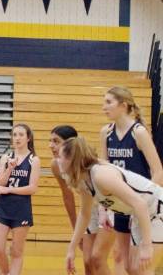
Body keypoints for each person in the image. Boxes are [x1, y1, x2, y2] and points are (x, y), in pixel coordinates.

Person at [61, 137, 160, 275]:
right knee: (133, 269)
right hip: (141, 214)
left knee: (142, 268)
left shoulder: (100, 175)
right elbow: (85, 214)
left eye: (61, 156)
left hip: (157, 208)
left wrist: (147, 245)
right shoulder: (84, 181)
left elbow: (140, 203)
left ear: (71, 158)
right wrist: (71, 249)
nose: (58, 160)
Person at [95, 87, 163, 275]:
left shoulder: (138, 132)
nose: (104, 107)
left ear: (123, 105)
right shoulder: (106, 133)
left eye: (108, 102)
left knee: (139, 266)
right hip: (122, 204)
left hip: (142, 204)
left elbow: (158, 171)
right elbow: (103, 172)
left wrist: (143, 204)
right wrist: (103, 209)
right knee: (124, 262)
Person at [0, 124, 40, 275]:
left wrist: (9, 189)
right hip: (3, 207)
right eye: (15, 135)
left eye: (21, 135)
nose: (17, 138)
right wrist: (10, 169)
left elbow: (32, 188)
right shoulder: (5, 158)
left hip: (21, 209)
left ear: (28, 138)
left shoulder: (34, 160)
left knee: (16, 252)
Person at [50, 125, 99, 274]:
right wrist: (75, 230)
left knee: (97, 259)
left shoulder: (86, 163)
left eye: (56, 141)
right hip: (88, 210)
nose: (50, 145)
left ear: (69, 144)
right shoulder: (56, 165)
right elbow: (67, 196)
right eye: (50, 140)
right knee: (87, 260)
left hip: (106, 208)